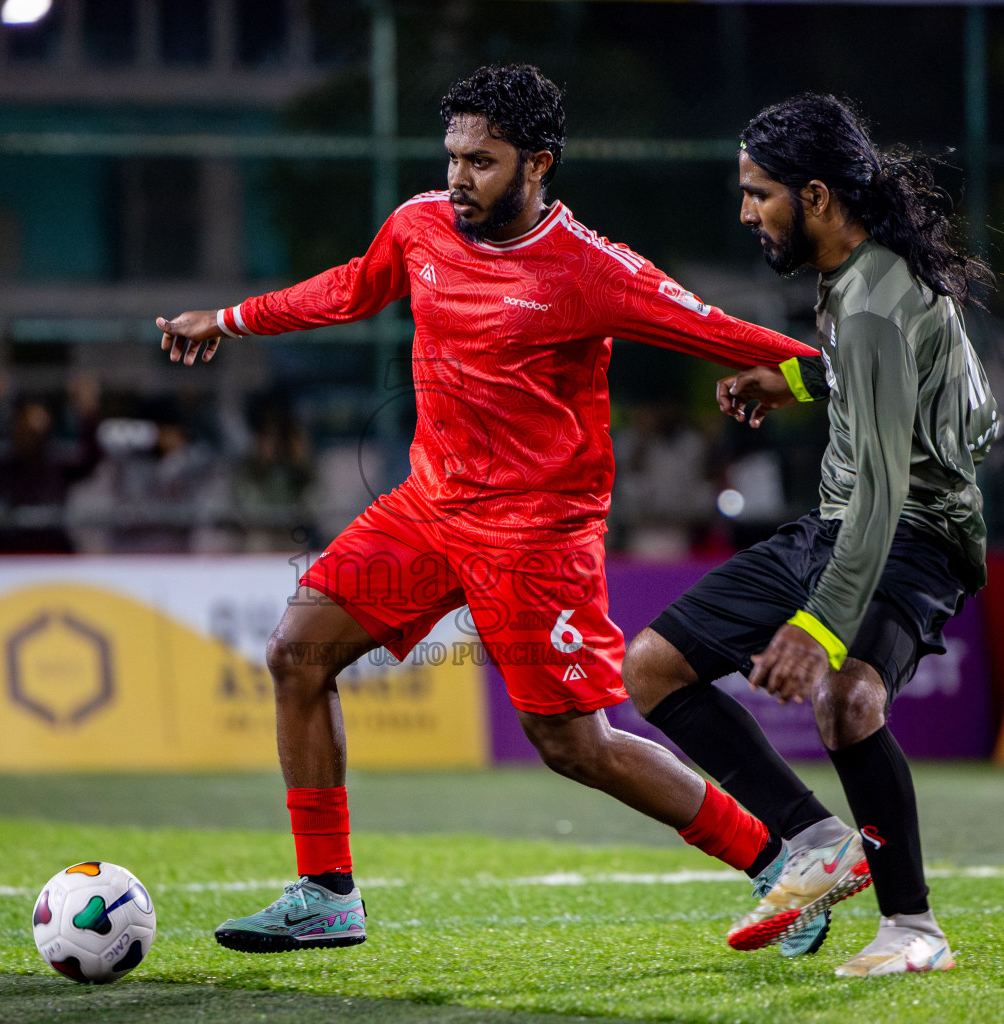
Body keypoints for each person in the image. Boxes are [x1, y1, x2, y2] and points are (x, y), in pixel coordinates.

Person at [157, 64, 850, 956]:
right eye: (451, 157)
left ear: (538, 165)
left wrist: (797, 377)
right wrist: (231, 318)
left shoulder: (593, 271)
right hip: (428, 505)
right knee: (297, 654)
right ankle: (327, 892)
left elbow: (737, 334)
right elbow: (348, 289)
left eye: (480, 163)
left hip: (535, 532)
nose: (457, 180)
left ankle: (775, 862)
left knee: (573, 745)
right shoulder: (419, 226)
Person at [624, 93, 999, 976]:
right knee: (651, 667)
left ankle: (914, 928)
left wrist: (819, 627)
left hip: (917, 533)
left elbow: (884, 485)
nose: (747, 211)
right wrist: (789, 383)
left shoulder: (872, 299)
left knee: (847, 700)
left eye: (760, 194)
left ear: (818, 196)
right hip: (840, 523)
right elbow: (881, 382)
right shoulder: (859, 277)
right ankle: (816, 840)